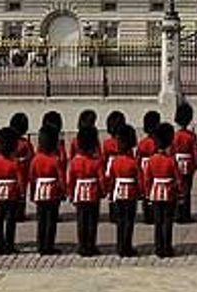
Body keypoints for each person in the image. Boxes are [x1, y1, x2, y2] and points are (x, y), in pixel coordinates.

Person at [144, 122, 182, 259]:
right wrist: (180, 192)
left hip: (155, 192)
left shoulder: (152, 160)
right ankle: (167, 247)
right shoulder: (171, 161)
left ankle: (158, 247)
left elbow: (148, 179)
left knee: (158, 222)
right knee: (167, 222)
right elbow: (177, 178)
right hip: (169, 192)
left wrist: (148, 194)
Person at [67, 125, 104, 257]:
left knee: (81, 220)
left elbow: (71, 180)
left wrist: (70, 194)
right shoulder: (96, 162)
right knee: (92, 221)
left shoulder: (75, 162)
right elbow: (100, 178)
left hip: (79, 192)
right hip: (93, 192)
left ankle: (82, 245)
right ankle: (91, 245)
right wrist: (103, 191)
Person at [105, 124, 142, 256]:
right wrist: (141, 192)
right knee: (129, 221)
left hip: (118, 192)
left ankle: (120, 246)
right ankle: (127, 247)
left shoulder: (115, 161)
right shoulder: (133, 162)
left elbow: (111, 179)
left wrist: (110, 193)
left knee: (120, 221)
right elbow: (139, 179)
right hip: (131, 192)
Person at [0, 126, 24, 255]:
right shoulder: (15, 163)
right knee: (10, 220)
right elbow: (19, 180)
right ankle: (9, 244)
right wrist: (22, 193)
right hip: (12, 192)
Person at [31, 125, 65, 256]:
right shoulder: (55, 160)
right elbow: (61, 178)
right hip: (53, 192)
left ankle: (41, 245)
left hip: (40, 191)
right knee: (51, 221)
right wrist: (63, 192)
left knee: (41, 220)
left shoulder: (36, 159)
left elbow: (32, 178)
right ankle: (49, 245)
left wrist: (33, 193)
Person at [171, 103, 197, 224]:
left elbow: (171, 150)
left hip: (176, 163)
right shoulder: (191, 136)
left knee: (177, 189)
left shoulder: (175, 135)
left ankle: (177, 213)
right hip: (188, 164)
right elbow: (195, 151)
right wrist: (196, 163)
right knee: (187, 190)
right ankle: (185, 215)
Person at [136, 110, 161, 225]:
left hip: (144, 166)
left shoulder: (142, 143)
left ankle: (147, 215)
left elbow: (138, 157)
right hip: (154, 166)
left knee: (145, 191)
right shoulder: (156, 142)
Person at [9, 112, 32, 223]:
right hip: (23, 168)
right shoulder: (25, 143)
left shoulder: (11, 141)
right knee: (21, 191)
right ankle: (20, 213)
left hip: (11, 168)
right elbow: (30, 156)